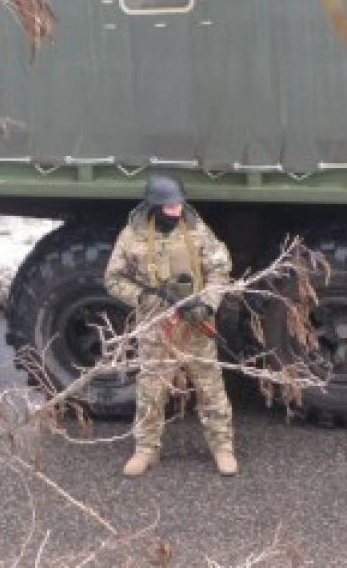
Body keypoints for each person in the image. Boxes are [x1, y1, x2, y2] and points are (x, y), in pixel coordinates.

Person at [103, 174, 237, 477]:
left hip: (195, 323)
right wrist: (144, 298)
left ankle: (222, 447)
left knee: (210, 387)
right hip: (155, 326)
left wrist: (207, 304)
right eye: (169, 206)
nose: (176, 210)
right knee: (151, 388)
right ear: (154, 206)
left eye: (179, 204)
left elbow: (219, 269)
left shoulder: (197, 230)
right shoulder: (132, 235)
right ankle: (146, 449)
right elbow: (113, 279)